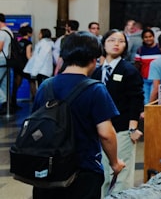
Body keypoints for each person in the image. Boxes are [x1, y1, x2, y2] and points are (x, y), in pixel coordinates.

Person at [32, 31, 125, 198]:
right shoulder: (95, 89)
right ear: (93, 59)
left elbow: (35, 124)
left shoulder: (46, 85)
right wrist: (115, 163)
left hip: (47, 167)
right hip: (83, 170)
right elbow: (106, 134)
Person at [92, 29, 143, 195]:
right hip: (99, 128)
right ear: (104, 43)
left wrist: (133, 127)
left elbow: (136, 99)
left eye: (121, 41)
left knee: (121, 173)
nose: (116, 44)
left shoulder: (129, 70)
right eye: (112, 40)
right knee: (103, 171)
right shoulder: (97, 71)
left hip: (121, 128)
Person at [24, 27, 55, 100]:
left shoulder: (44, 44)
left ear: (42, 34)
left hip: (42, 70)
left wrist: (34, 72)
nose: (38, 35)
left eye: (39, 33)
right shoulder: (47, 44)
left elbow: (40, 59)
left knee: (43, 90)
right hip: (44, 70)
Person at [134, 28, 161, 104]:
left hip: (157, 80)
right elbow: (137, 65)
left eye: (150, 36)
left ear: (153, 37)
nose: (148, 39)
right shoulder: (140, 50)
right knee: (146, 101)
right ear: (143, 39)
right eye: (146, 37)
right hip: (145, 79)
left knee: (154, 100)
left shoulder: (160, 48)